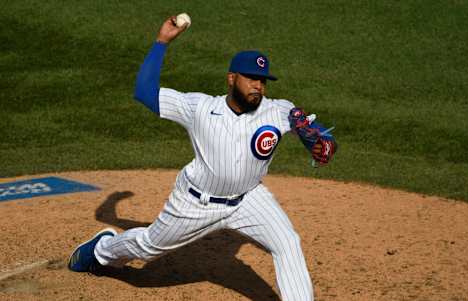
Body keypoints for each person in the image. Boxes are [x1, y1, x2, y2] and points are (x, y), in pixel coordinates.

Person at [68, 15, 336, 301]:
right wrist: (162, 42)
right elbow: (144, 92)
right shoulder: (199, 108)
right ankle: (101, 250)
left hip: (249, 200)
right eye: (251, 78)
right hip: (196, 203)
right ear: (232, 78)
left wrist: (323, 145)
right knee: (148, 246)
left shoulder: (279, 110)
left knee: (287, 243)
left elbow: (319, 136)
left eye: (262, 80)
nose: (258, 86)